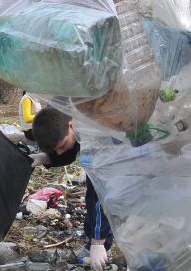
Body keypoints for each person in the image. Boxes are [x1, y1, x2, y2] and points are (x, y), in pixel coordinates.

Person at [29, 107, 114, 271]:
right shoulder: (75, 124)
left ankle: (102, 246)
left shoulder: (96, 133)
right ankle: (94, 245)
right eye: (55, 150)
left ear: (70, 125)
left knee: (99, 196)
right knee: (91, 196)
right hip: (101, 159)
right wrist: (47, 157)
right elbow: (70, 149)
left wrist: (98, 241)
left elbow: (100, 195)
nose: (59, 152)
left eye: (60, 146)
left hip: (128, 159)